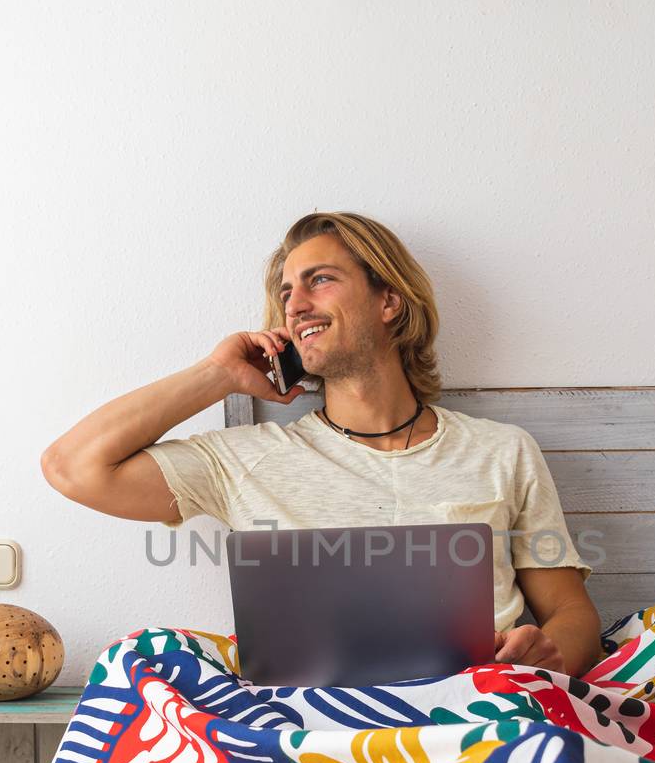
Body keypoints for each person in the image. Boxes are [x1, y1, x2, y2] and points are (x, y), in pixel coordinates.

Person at [41, 211, 603, 677]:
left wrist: (548, 658)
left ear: (389, 302)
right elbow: (73, 466)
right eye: (287, 292)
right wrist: (217, 373)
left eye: (320, 280)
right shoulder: (245, 458)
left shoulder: (503, 451)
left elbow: (571, 611)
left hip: (481, 712)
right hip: (309, 731)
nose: (295, 304)